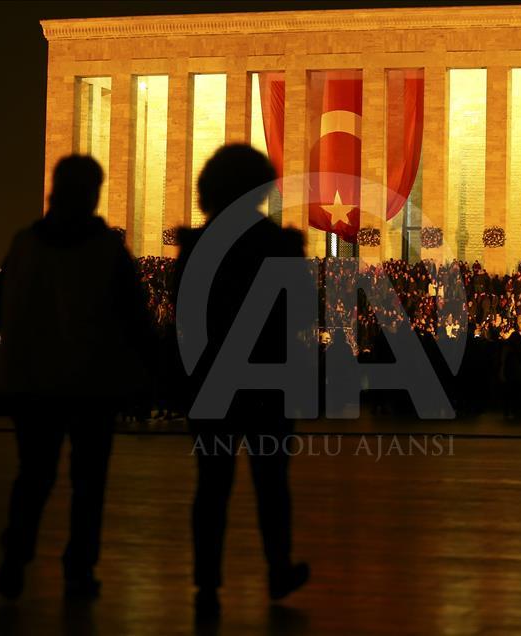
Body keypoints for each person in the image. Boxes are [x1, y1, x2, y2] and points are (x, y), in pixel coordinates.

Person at [0, 155, 155, 601]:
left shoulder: (24, 244)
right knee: (88, 483)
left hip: (31, 382)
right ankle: (79, 569)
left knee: (33, 475)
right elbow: (134, 319)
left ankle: (16, 554)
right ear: (92, 195)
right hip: (90, 383)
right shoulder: (106, 251)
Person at [174, 144, 310, 619]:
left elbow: (184, 319)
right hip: (267, 382)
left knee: (212, 484)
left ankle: (207, 581)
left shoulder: (195, 247)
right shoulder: (277, 244)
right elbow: (298, 316)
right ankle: (278, 568)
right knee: (271, 483)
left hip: (212, 381)